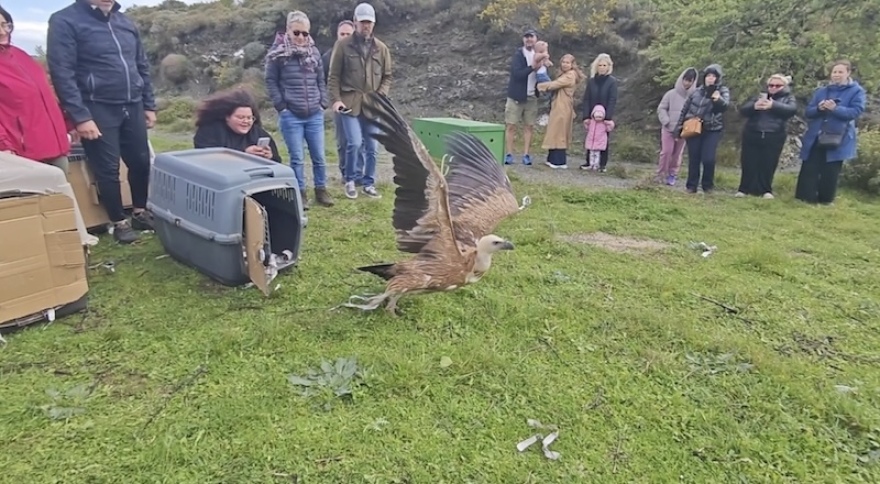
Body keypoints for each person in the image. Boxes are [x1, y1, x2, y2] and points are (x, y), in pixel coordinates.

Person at [47, 0, 158, 244]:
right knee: (107, 168)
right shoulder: (65, 20)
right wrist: (80, 116)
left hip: (133, 103)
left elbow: (141, 65)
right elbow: (62, 72)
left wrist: (149, 104)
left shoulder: (124, 21)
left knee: (141, 162)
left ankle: (140, 211)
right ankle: (119, 221)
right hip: (97, 106)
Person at [265, 11, 334, 210]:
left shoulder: (314, 53)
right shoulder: (277, 54)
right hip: (291, 114)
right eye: (297, 33)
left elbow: (321, 79)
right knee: (297, 158)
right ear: (288, 30)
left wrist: (323, 102)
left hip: (314, 113)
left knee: (319, 156)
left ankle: (321, 190)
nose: (301, 37)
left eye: (305, 33)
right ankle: (300, 193)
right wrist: (281, 107)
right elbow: (270, 81)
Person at [327, 2, 392, 200]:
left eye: (369, 22)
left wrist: (380, 95)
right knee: (354, 143)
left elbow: (387, 76)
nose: (366, 26)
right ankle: (350, 180)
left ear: (374, 24)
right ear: (355, 22)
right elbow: (334, 76)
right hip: (349, 104)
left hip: (373, 106)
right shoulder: (343, 46)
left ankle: (369, 183)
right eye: (363, 22)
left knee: (372, 147)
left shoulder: (381, 49)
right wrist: (336, 100)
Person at [0, 6, 73, 174]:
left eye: (5, 25)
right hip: (23, 155)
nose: (3, 32)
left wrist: (67, 124)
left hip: (56, 147)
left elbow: (44, 96)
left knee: (64, 198)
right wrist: (3, 146)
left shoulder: (22, 56)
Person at [795, 60, 866, 205]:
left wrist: (835, 109)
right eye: (834, 72)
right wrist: (819, 108)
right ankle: (805, 198)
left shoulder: (856, 91)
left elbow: (855, 112)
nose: (837, 75)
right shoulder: (821, 91)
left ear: (848, 73)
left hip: (838, 136)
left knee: (830, 169)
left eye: (840, 72)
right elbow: (808, 111)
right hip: (816, 134)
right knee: (810, 166)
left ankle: (825, 200)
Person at [736, 74, 797, 199]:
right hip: (753, 132)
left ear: (784, 86)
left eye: (777, 85)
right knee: (748, 162)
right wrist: (754, 106)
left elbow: (791, 110)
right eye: (771, 85)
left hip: (774, 134)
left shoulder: (788, 98)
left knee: (768, 163)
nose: (773, 87)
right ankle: (744, 189)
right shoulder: (759, 96)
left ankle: (765, 190)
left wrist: (773, 106)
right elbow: (743, 110)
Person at [674, 64, 730, 194]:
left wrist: (717, 99)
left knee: (708, 159)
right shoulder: (696, 91)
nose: (710, 78)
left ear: (718, 78)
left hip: (712, 128)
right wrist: (678, 128)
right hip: (693, 126)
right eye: (708, 76)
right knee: (694, 158)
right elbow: (685, 110)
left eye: (713, 76)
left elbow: (724, 107)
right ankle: (691, 186)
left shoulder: (722, 91)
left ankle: (707, 185)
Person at [322, 20, 364, 184]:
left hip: (358, 103)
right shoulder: (328, 57)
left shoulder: (360, 54)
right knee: (343, 141)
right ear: (337, 36)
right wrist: (332, 100)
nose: (345, 37)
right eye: (342, 34)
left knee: (358, 141)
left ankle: (358, 173)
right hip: (339, 104)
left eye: (349, 34)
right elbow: (325, 80)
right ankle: (346, 173)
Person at [192, 89, 282, 164]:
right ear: (227, 117)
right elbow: (206, 159)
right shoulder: (210, 131)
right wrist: (244, 154)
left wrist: (269, 157)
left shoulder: (259, 133)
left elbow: (277, 163)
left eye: (249, 118)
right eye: (240, 117)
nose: (245, 121)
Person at [537, 53, 585, 168]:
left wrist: (540, 86)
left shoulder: (570, 75)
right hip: (559, 105)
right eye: (563, 62)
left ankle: (559, 162)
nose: (565, 64)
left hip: (563, 107)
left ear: (572, 64)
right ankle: (552, 159)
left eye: (567, 62)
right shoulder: (566, 74)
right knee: (556, 132)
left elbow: (555, 84)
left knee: (559, 133)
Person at [503, 28, 541, 166]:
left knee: (529, 126)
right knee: (511, 125)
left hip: (532, 97)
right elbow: (517, 74)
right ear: (523, 39)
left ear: (536, 39)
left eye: (531, 37)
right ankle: (509, 154)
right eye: (526, 37)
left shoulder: (540, 54)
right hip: (516, 97)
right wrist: (532, 67)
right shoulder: (518, 54)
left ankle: (526, 154)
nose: (529, 39)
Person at [656, 67, 697, 186]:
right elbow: (661, 108)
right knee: (666, 152)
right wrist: (666, 121)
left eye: (690, 81)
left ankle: (672, 174)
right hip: (668, 129)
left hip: (683, 131)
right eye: (685, 80)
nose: (687, 83)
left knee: (677, 154)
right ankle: (660, 174)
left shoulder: (694, 96)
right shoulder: (670, 94)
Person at [580, 53, 618, 172]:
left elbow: (613, 100)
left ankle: (602, 164)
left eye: (604, 65)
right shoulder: (591, 81)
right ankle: (589, 162)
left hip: (604, 117)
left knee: (603, 140)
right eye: (600, 65)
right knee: (591, 138)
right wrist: (586, 116)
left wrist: (608, 117)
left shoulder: (612, 82)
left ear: (608, 67)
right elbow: (586, 99)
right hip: (592, 116)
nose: (602, 67)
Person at [584, 105, 610, 171]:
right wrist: (586, 122)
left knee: (597, 155)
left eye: (600, 117)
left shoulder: (604, 123)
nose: (598, 118)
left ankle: (596, 165)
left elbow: (609, 128)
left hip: (599, 142)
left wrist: (609, 123)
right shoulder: (591, 122)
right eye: (597, 116)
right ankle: (591, 164)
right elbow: (587, 127)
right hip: (591, 142)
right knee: (591, 154)